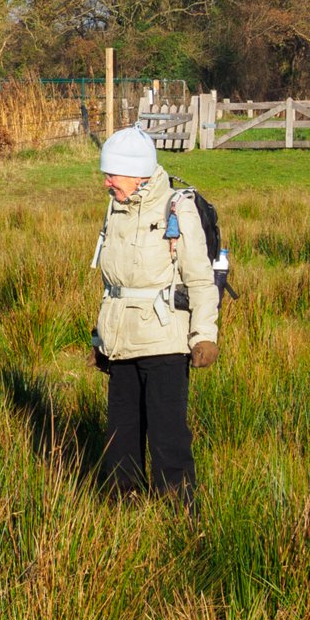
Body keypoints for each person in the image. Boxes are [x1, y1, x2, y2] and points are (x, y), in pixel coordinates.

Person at [89, 126, 218, 503]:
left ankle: (177, 511)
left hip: (165, 343)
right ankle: (123, 506)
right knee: (120, 436)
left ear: (138, 174)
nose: (107, 183)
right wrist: (100, 339)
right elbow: (111, 285)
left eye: (112, 175)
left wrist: (204, 336)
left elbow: (200, 279)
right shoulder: (115, 209)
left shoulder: (178, 209)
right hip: (121, 343)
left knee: (168, 436)